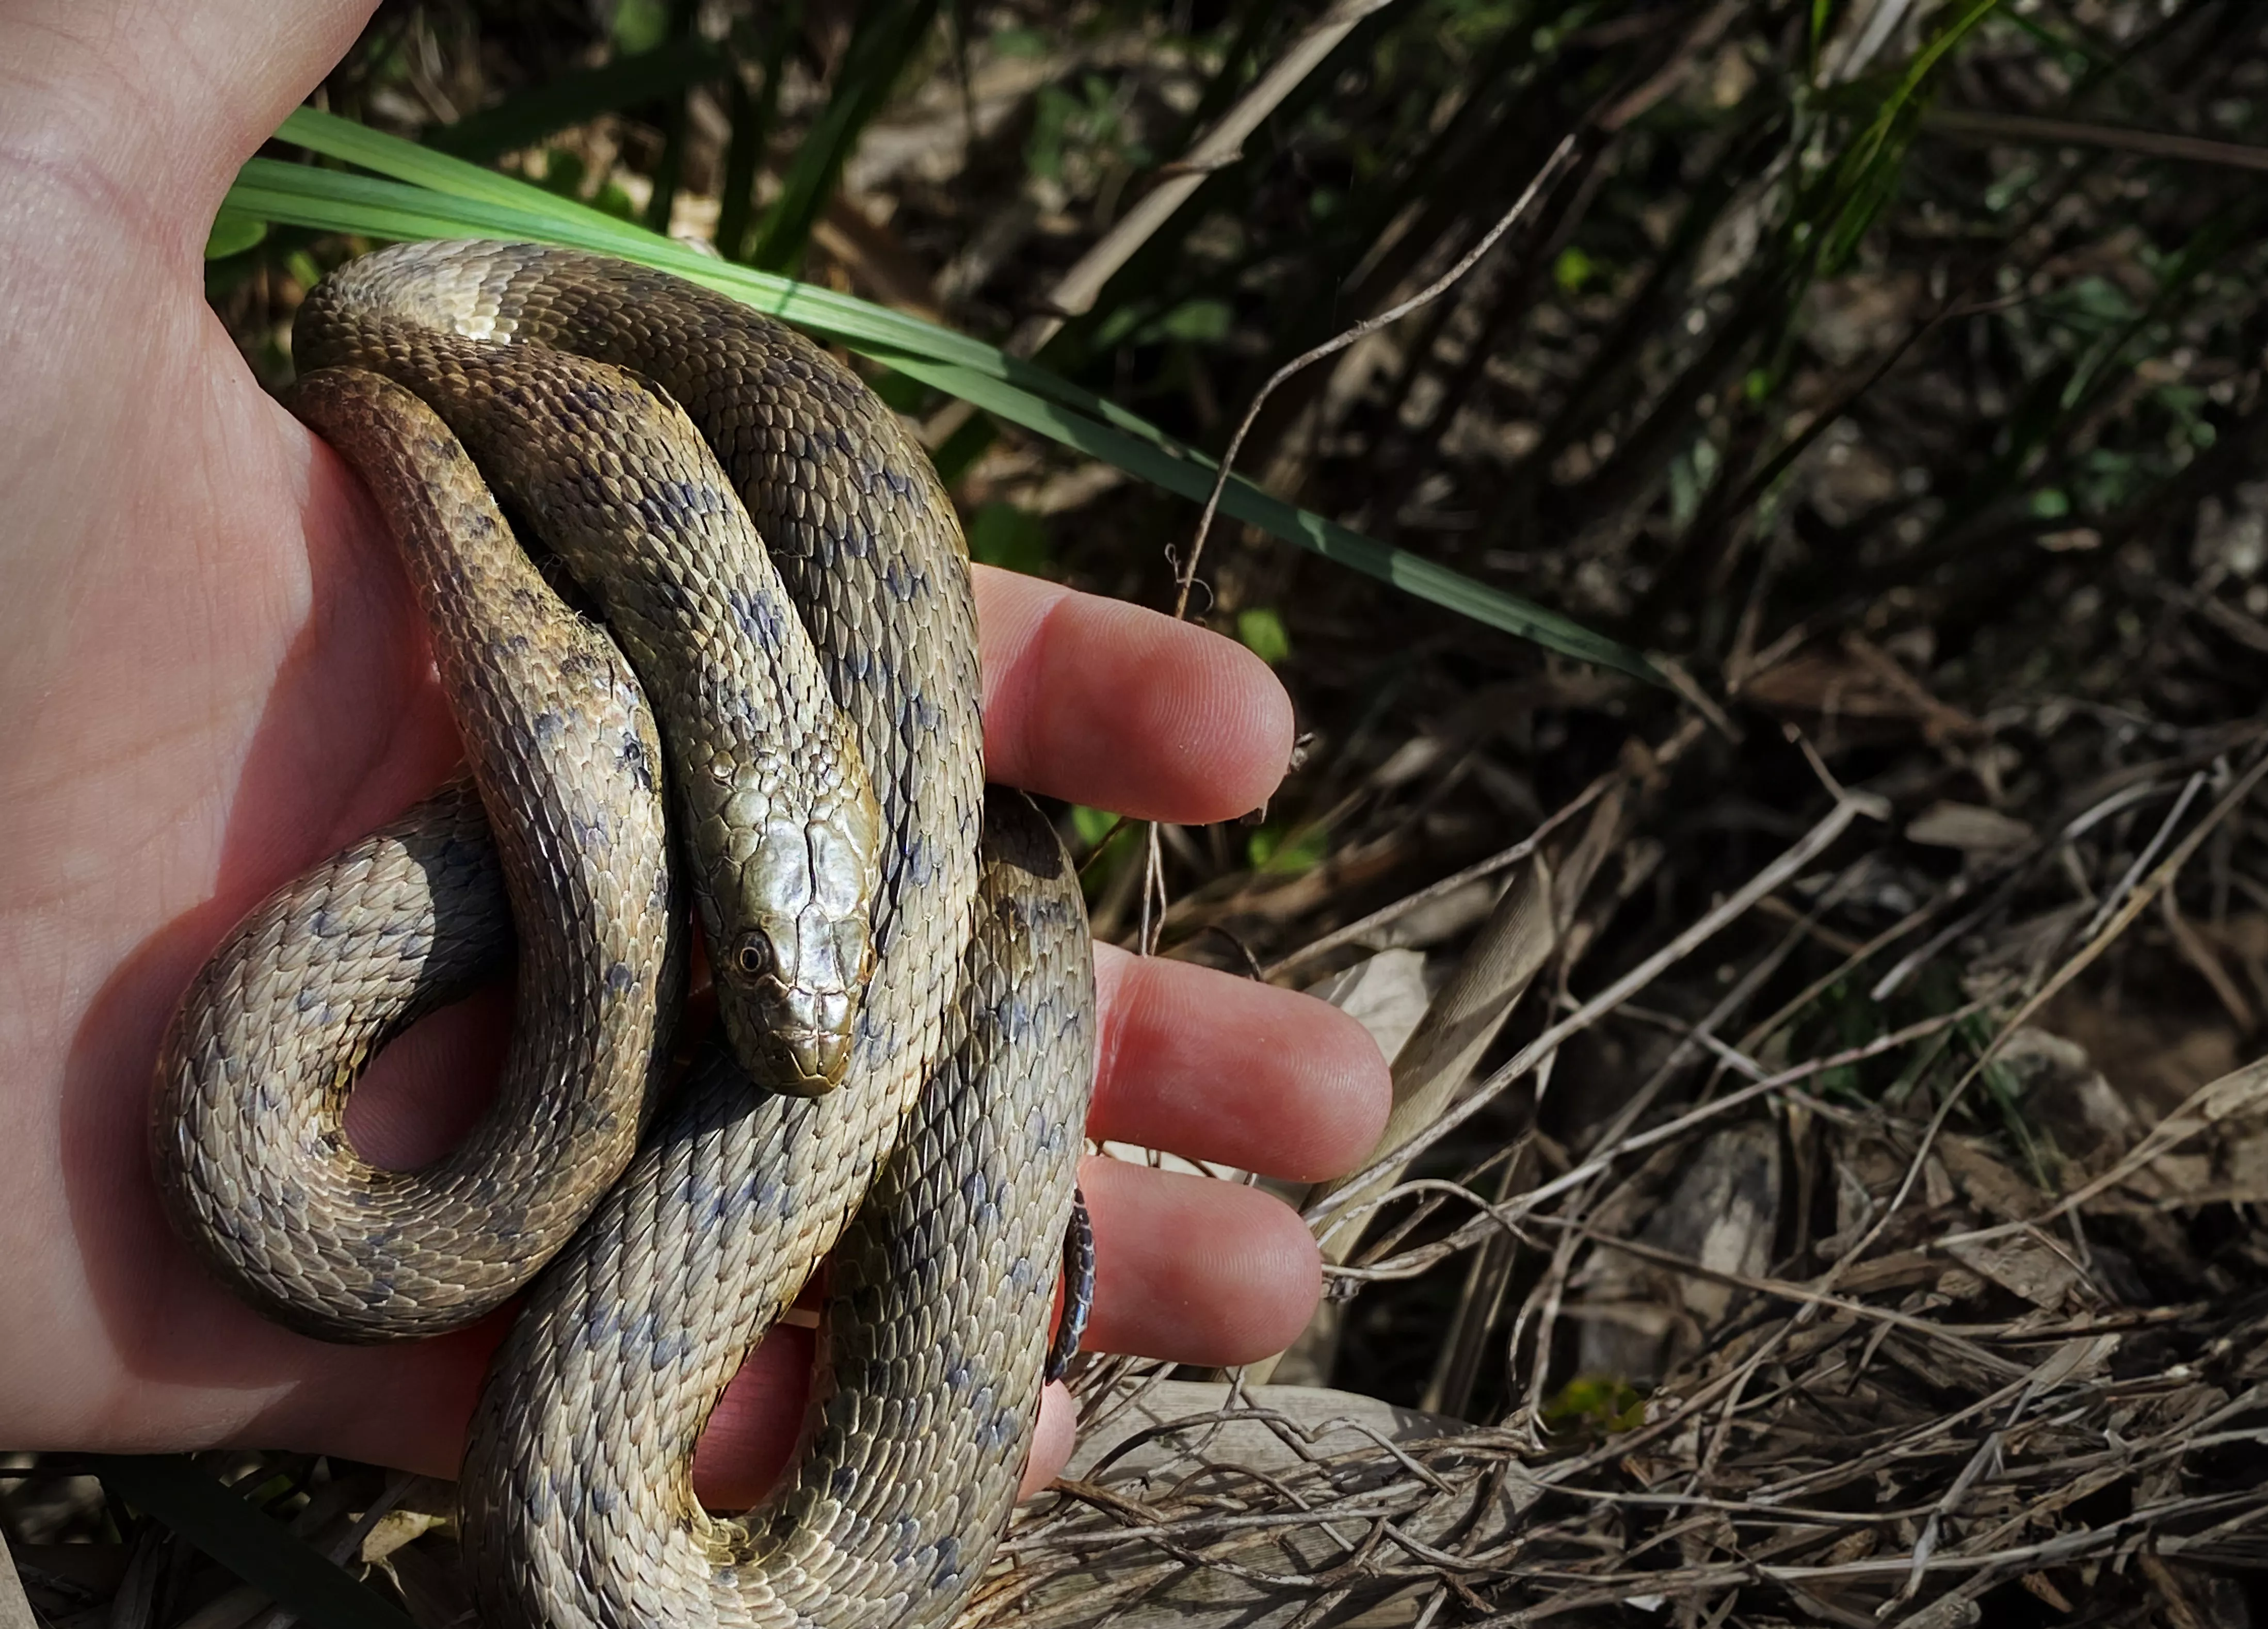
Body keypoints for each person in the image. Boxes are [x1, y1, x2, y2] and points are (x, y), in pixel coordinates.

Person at [0, 0, 1390, 1504]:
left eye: (841, 945)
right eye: (739, 935)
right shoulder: (447, 348)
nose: (808, 1049)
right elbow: (361, 329)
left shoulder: (797, 715)